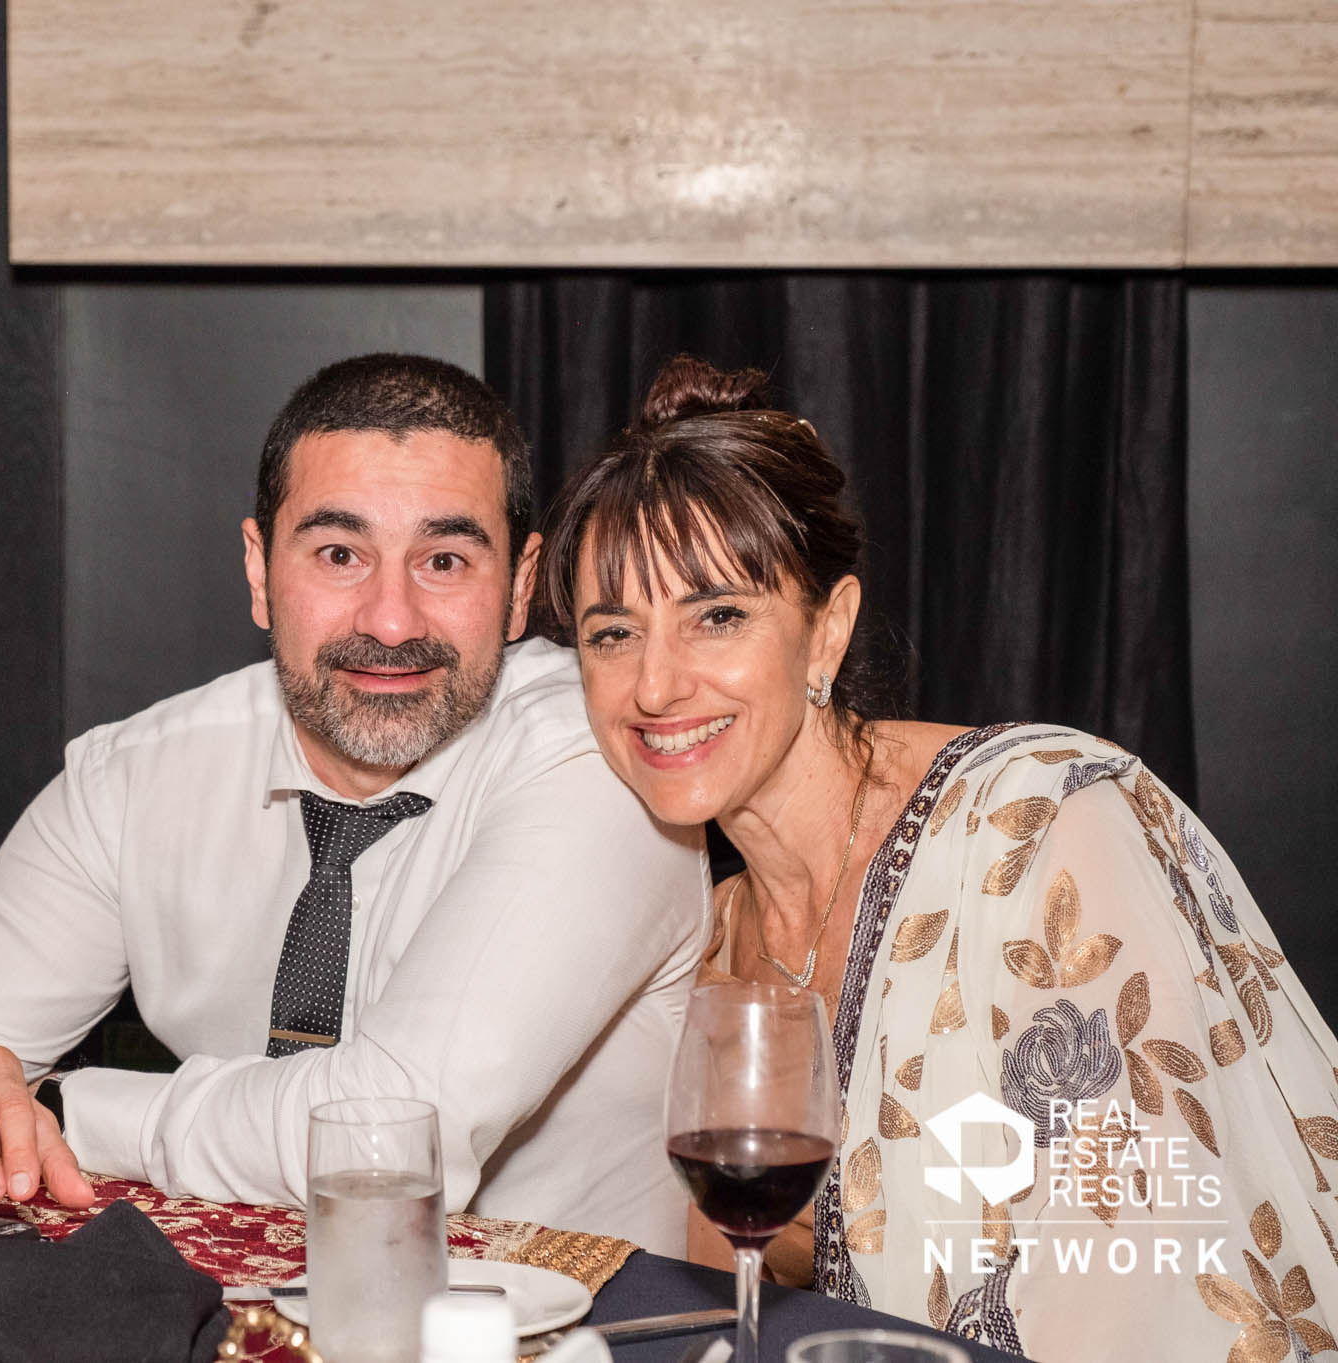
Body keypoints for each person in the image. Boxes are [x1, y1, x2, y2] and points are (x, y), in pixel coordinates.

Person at [0, 353, 709, 1253]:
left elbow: (391, 1132)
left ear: (518, 587)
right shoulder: (138, 777)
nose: (391, 620)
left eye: (444, 560)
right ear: (261, 570)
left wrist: (60, 1107)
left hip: (563, 1322)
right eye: (339, 554)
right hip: (226, 1319)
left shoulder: (599, 755)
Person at [537, 354, 1338, 1356]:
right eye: (613, 633)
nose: (655, 685)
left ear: (826, 631)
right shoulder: (720, 948)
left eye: (718, 616)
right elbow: (733, 1302)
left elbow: (1143, 1281)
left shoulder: (1043, 829)